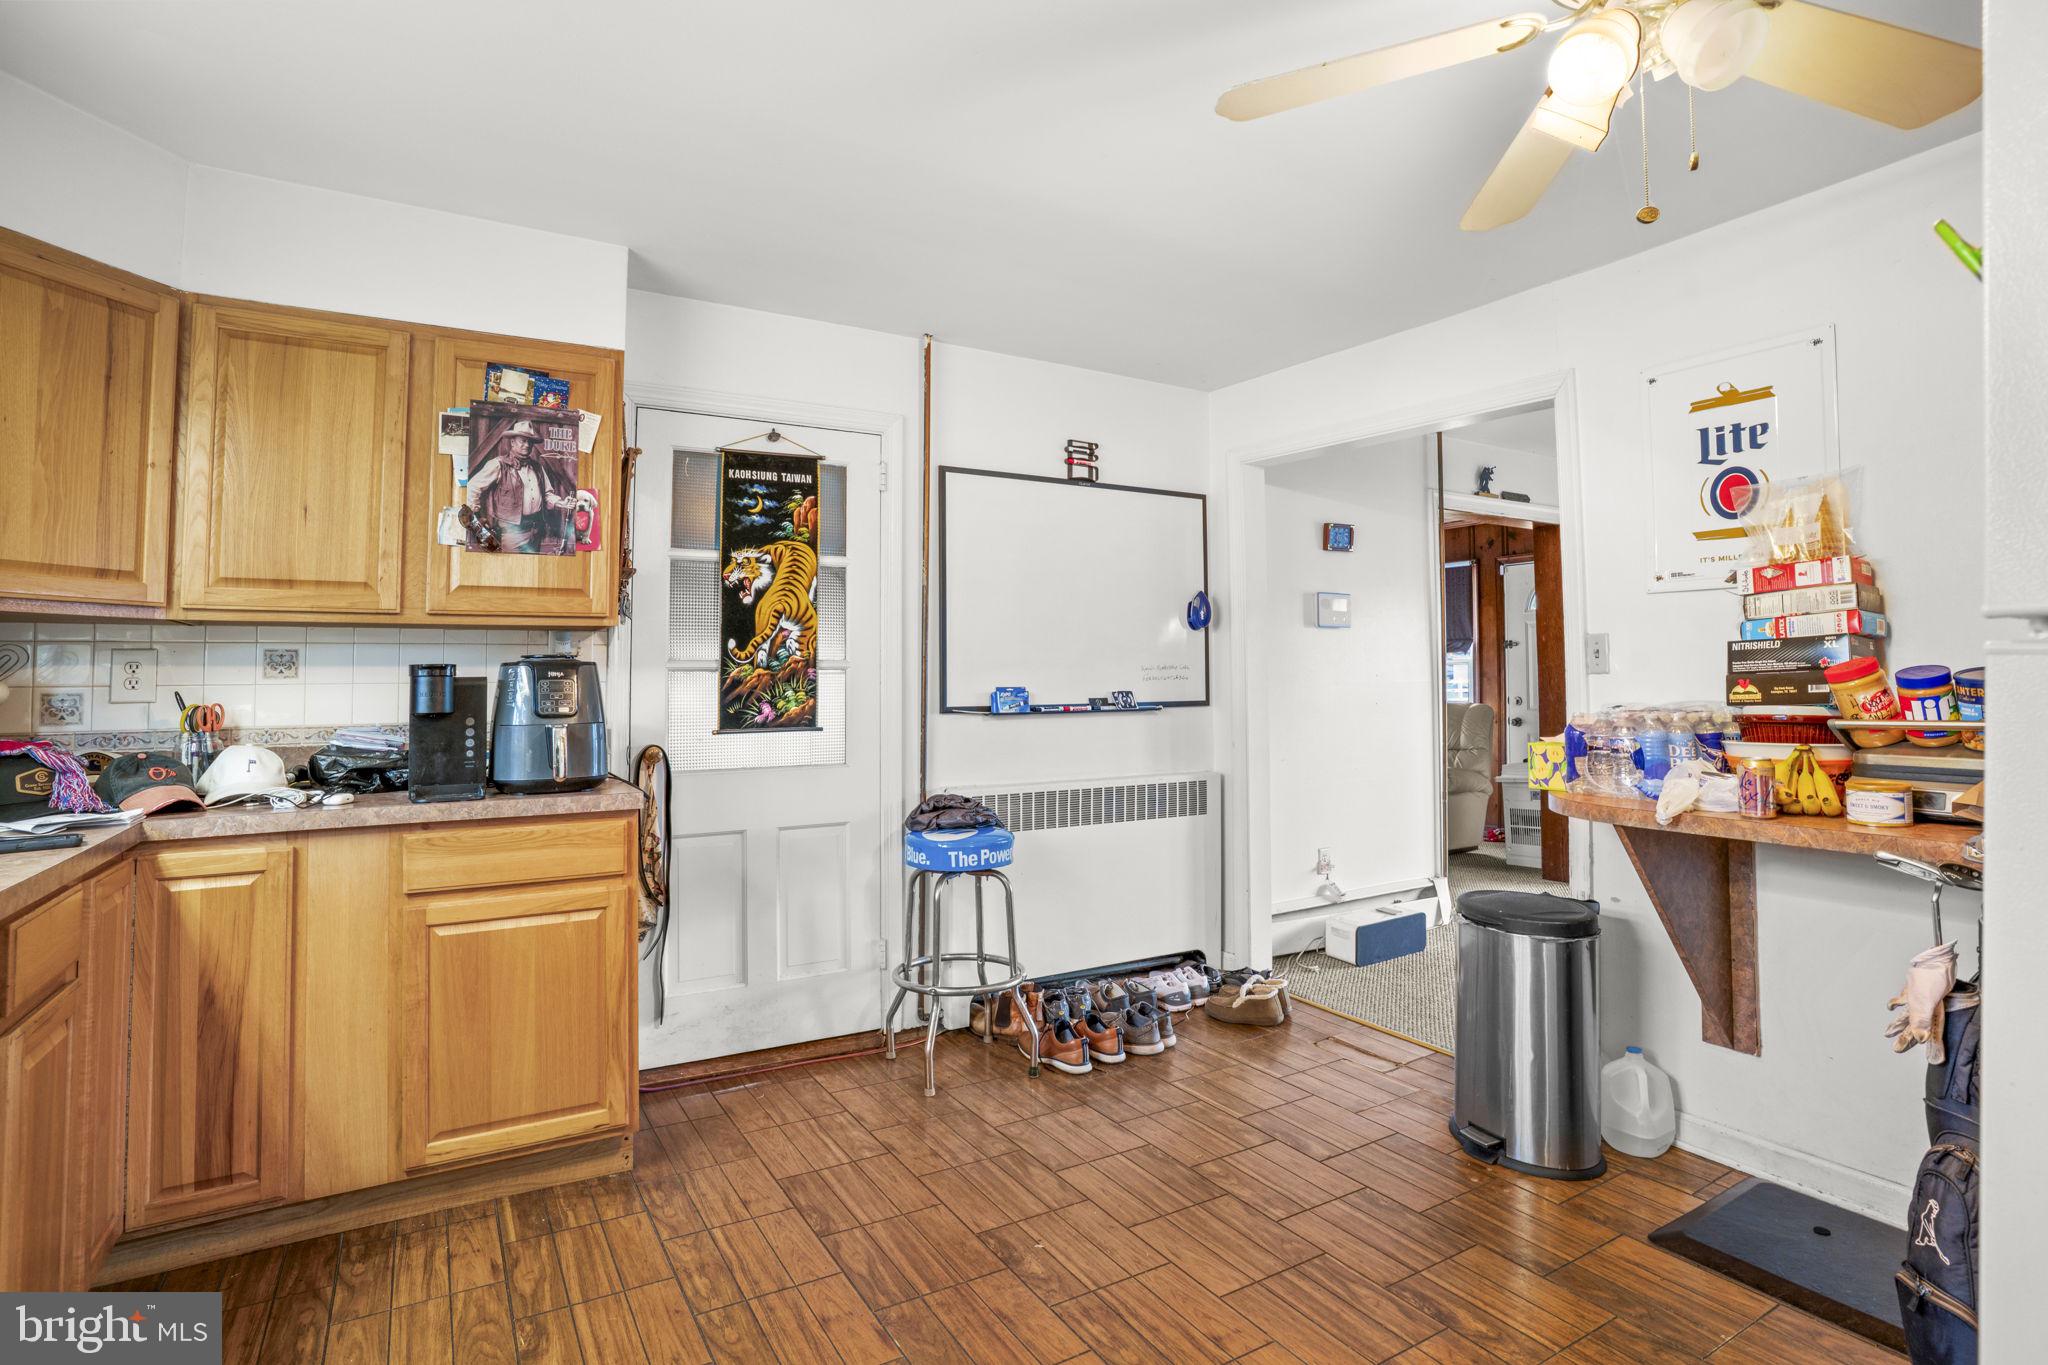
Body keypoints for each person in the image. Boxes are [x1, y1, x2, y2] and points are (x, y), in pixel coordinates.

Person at [466, 420, 577, 552]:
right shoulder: (498, 464)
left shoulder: (537, 467)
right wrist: (477, 518)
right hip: (511, 533)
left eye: (530, 442)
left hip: (536, 530)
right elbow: (473, 486)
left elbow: (547, 494)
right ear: (512, 442)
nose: (527, 445)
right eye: (522, 441)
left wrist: (561, 503)